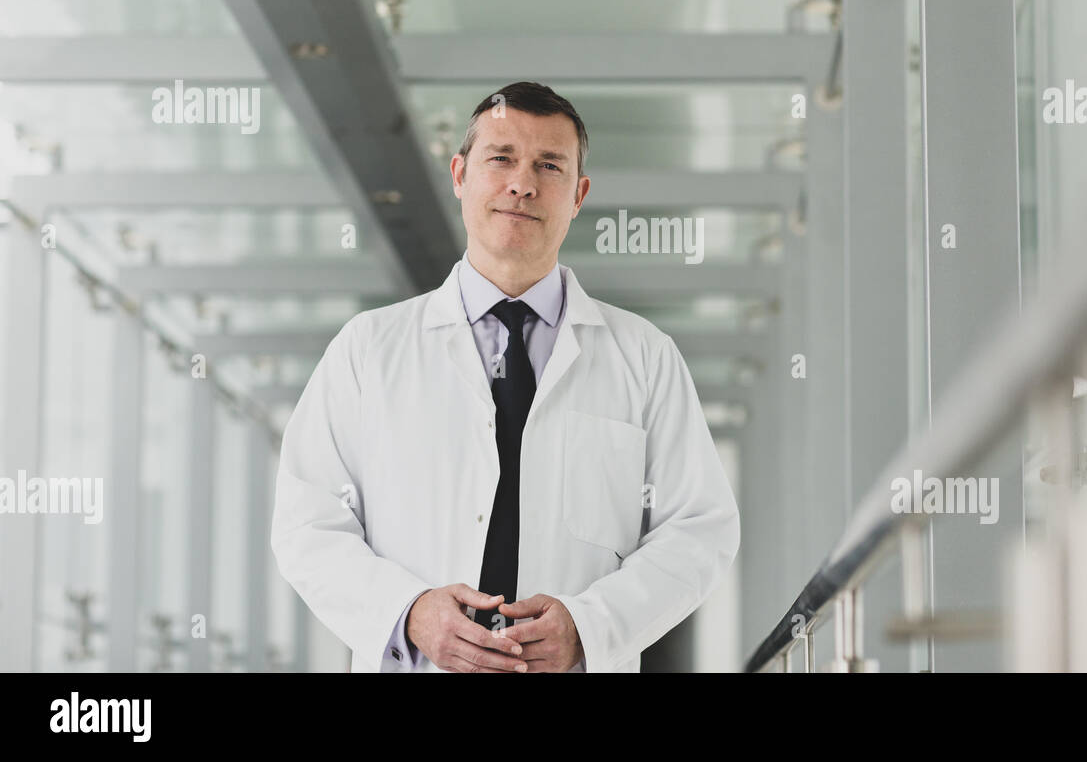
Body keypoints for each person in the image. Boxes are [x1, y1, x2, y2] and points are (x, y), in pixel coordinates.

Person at [271, 81, 741, 672]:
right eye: (502, 159)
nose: (523, 183)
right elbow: (305, 523)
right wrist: (409, 612)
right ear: (460, 175)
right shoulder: (368, 350)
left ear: (578, 195)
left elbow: (700, 530)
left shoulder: (645, 357)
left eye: (550, 165)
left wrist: (590, 625)